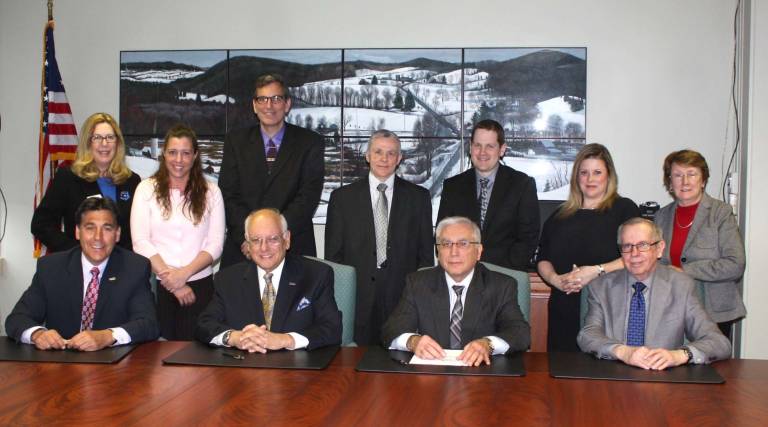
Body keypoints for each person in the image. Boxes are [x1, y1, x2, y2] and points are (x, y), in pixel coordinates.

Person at [6, 197, 159, 351]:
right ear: (78, 232)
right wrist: (37, 334)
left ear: (117, 234)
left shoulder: (135, 268)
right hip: (59, 365)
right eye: (90, 228)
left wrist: (108, 336)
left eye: (107, 228)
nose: (98, 237)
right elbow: (17, 319)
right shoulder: (51, 268)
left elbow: (149, 324)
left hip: (114, 364)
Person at [325, 130, 434, 345]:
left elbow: (425, 258)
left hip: (403, 298)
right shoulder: (342, 199)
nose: (384, 159)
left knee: (400, 365)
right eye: (378, 152)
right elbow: (334, 257)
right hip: (357, 298)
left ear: (399, 158)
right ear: (367, 156)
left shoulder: (419, 198)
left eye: (391, 153)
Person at [577, 218, 731, 369]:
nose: (634, 253)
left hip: (663, 378)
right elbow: (588, 336)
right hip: (612, 375)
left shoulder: (681, 285)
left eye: (643, 245)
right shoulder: (601, 286)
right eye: (627, 246)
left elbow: (719, 342)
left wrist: (678, 356)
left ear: (659, 248)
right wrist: (623, 352)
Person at [381, 216, 530, 366]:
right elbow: (391, 329)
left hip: (481, 373)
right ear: (438, 251)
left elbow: (520, 333)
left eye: (463, 244)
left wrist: (488, 344)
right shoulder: (418, 283)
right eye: (446, 244)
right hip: (431, 374)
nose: (454, 252)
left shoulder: (501, 286)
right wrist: (412, 341)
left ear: (478, 251)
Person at [537, 143, 640, 352]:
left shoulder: (624, 210)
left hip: (608, 308)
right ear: (576, 177)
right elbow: (543, 259)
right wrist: (556, 280)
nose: (590, 179)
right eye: (584, 173)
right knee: (563, 374)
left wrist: (595, 271)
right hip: (564, 308)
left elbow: (636, 256)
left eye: (597, 172)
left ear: (609, 176)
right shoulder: (560, 215)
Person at [196, 209, 341, 352]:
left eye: (273, 239)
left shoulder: (316, 275)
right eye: (256, 240)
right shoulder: (227, 279)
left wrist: (285, 340)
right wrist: (235, 337)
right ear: (247, 243)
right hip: (244, 367)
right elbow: (204, 325)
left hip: (298, 368)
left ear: (287, 239)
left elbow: (332, 328)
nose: (264, 248)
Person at [218, 73, 324, 267]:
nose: (269, 106)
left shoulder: (310, 142)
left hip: (292, 245)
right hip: (244, 248)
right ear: (254, 105)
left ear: (287, 104)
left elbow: (308, 196)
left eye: (276, 99)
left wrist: (277, 238)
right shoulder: (235, 141)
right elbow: (228, 195)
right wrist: (250, 239)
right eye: (262, 99)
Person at [130, 124, 225, 340]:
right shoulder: (146, 189)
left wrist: (183, 275)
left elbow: (215, 244)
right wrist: (172, 280)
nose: (178, 160)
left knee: (199, 353)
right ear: (164, 154)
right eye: (172, 152)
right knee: (160, 356)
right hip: (158, 286)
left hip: (201, 286)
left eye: (185, 153)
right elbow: (141, 242)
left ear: (195, 156)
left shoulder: (212, 192)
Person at [654, 149, 746, 341]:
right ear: (670, 183)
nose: (685, 182)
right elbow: (656, 263)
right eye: (678, 175)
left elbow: (735, 264)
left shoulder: (720, 212)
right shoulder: (661, 216)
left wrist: (684, 270)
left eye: (692, 174)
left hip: (714, 312)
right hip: (672, 309)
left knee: (712, 370)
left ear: (703, 180)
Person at [437, 119, 539, 270]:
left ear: (502, 149)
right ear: (471, 147)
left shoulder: (522, 185)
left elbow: (528, 238)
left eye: (490, 146)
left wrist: (500, 272)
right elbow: (442, 236)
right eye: (477, 145)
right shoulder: (453, 186)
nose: (482, 152)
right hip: (460, 275)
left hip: (506, 276)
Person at [31, 112, 141, 252]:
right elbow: (40, 224)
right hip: (80, 267)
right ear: (88, 143)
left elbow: (137, 232)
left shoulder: (132, 181)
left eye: (110, 137)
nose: (104, 143)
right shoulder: (68, 178)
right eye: (97, 138)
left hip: (122, 267)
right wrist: (76, 252)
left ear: (118, 143)